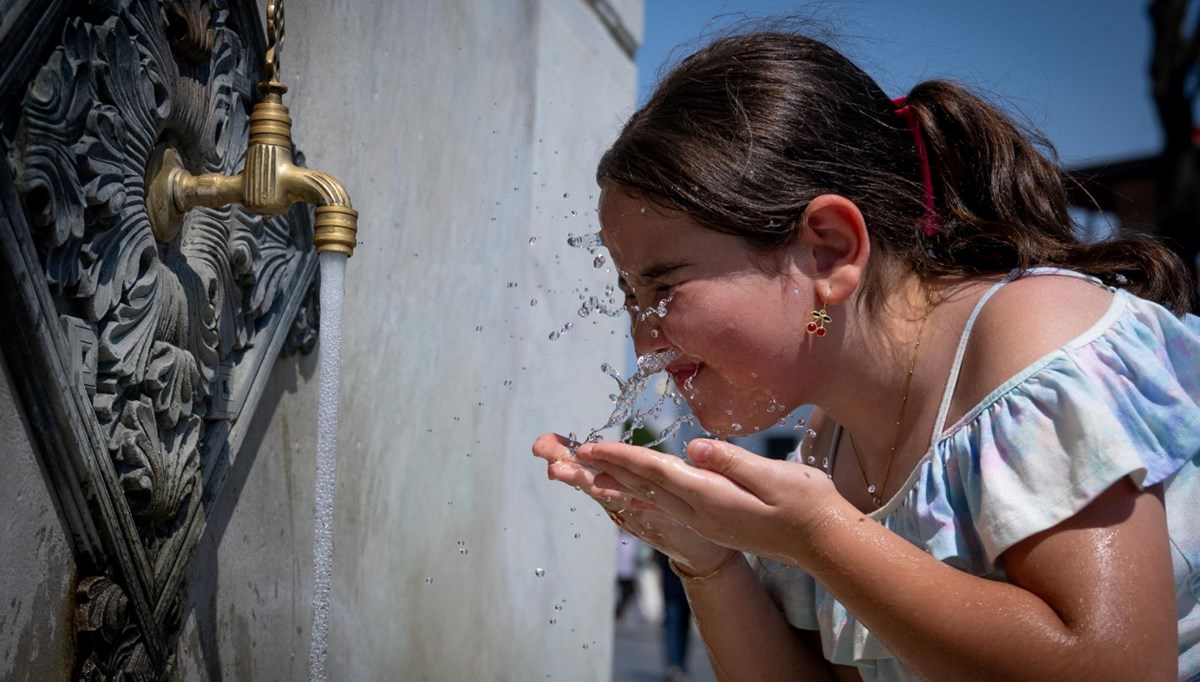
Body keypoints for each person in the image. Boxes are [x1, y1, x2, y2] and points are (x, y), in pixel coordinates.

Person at [533, 28, 1200, 681]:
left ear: (827, 250)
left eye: (664, 287)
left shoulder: (1029, 337)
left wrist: (820, 537)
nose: (644, 337)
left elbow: (1118, 665)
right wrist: (707, 557)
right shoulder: (830, 446)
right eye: (629, 295)